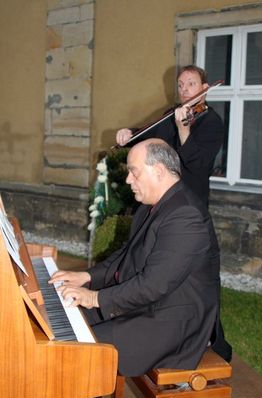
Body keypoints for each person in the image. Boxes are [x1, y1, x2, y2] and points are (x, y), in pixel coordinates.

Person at [49, 138, 231, 377]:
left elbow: (154, 285)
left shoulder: (186, 215)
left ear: (158, 171)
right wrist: (85, 276)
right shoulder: (152, 205)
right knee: (61, 325)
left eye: (134, 172)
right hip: (148, 306)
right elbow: (125, 255)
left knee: (74, 355)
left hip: (172, 323)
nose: (127, 180)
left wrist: (94, 297)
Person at [116, 65, 224, 207]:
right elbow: (150, 135)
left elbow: (197, 164)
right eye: (180, 85)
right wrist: (129, 134)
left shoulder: (212, 122)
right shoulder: (173, 113)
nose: (184, 89)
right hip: (160, 195)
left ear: (205, 88)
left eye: (191, 84)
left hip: (187, 200)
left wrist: (183, 130)